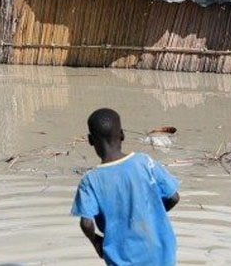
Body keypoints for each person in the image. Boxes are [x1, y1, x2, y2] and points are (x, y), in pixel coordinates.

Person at [72, 108, 180, 266]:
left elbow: (86, 223)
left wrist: (95, 241)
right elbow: (174, 197)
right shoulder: (145, 162)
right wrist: (151, 215)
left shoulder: (90, 180)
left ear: (90, 140)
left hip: (122, 259)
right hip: (162, 254)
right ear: (122, 134)